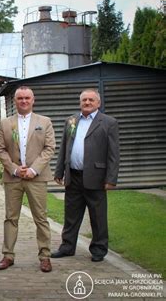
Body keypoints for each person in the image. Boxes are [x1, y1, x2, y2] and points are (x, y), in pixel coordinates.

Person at [51, 88, 119, 262]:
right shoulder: (71, 120)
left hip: (96, 177)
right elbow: (64, 148)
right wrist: (59, 171)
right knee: (71, 214)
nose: (87, 103)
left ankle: (98, 249)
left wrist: (111, 179)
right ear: (80, 102)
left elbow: (113, 154)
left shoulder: (109, 122)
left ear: (98, 103)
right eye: (84, 100)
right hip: (73, 176)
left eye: (91, 100)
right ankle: (67, 246)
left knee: (98, 216)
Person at [0, 86, 56, 273]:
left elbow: (49, 148)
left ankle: (45, 256)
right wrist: (14, 169)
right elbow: (0, 149)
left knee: (41, 218)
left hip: (36, 178)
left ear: (33, 99)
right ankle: (8, 255)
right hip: (13, 178)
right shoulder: (6, 123)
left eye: (27, 98)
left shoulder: (44, 122)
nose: (24, 101)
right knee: (11, 218)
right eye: (20, 98)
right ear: (15, 100)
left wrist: (33, 169)